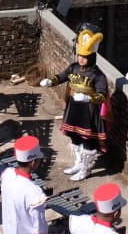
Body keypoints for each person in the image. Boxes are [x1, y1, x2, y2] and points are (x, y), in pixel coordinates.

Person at [41, 25, 110, 181]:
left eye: (84, 56)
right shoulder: (73, 68)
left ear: (91, 57)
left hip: (89, 111)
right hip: (74, 108)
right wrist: (50, 81)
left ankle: (86, 169)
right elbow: (62, 76)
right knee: (75, 137)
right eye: (79, 55)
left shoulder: (98, 75)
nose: (80, 59)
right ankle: (78, 163)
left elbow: (102, 95)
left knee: (87, 141)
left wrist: (88, 98)